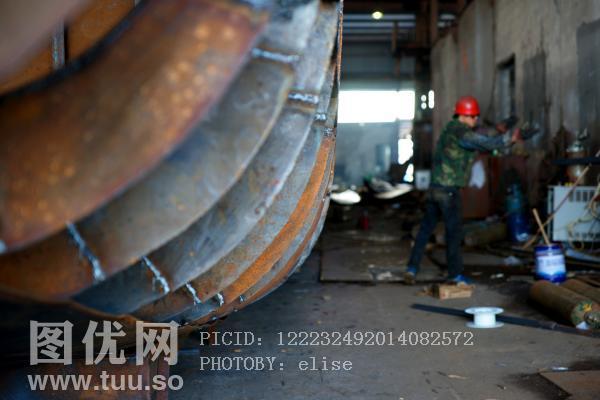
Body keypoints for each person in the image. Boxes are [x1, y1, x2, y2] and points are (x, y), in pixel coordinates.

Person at [403, 95, 522, 285]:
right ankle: (454, 275)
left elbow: (481, 136)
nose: (476, 119)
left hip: (435, 188)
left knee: (425, 229)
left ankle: (411, 268)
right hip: (449, 191)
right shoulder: (462, 133)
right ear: (465, 116)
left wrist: (498, 130)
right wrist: (510, 139)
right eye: (473, 116)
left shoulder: (451, 128)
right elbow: (484, 142)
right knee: (453, 233)